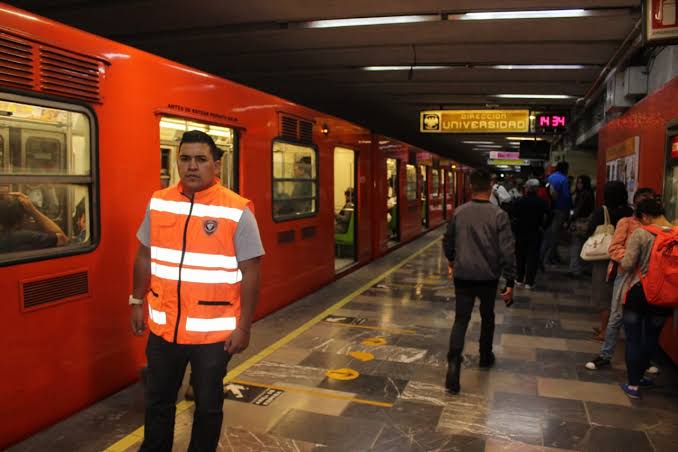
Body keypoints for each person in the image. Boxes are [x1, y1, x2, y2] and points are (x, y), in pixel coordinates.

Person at [130, 130, 264, 451]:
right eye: (185, 159)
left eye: (201, 159)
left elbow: (251, 273)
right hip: (164, 331)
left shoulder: (237, 210)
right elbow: (144, 255)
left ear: (216, 165)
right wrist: (136, 300)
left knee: (208, 407)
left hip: (213, 336)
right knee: (158, 403)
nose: (192, 166)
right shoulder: (159, 201)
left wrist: (243, 326)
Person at [443, 168, 516, 394]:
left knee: (461, 319)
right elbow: (507, 251)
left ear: (470, 187)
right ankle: (485, 356)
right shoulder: (499, 215)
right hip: (488, 277)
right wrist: (510, 280)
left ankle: (453, 366)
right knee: (487, 316)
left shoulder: (459, 212)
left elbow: (448, 242)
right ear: (490, 186)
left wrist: (453, 260)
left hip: (463, 275)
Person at [585, 188, 657, 370]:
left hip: (650, 276)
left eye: (650, 200)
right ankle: (605, 354)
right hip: (626, 274)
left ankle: (644, 360)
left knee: (645, 318)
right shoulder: (626, 222)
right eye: (642, 200)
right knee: (616, 315)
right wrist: (632, 258)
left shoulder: (659, 225)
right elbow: (614, 248)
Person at [618, 197, 675, 398]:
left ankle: (633, 386)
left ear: (644, 216)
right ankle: (641, 376)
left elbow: (627, 263)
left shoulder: (641, 234)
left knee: (633, 339)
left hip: (639, 293)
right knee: (651, 338)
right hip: (666, 295)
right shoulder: (676, 233)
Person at [588, 181, 633, 341]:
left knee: (603, 293)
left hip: (604, 257)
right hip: (624, 256)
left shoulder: (603, 211)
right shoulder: (630, 211)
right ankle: (611, 329)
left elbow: (590, 230)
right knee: (620, 292)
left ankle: (604, 330)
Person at [512, 179, 550, 290]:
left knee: (520, 256)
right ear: (537, 189)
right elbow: (550, 214)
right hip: (535, 231)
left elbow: (513, 214)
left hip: (520, 232)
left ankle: (519, 279)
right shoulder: (542, 202)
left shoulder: (519, 201)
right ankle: (529, 282)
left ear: (526, 188)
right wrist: (544, 226)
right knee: (533, 257)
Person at [0, 192, 68, 252]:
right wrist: (33, 210)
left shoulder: (4, 237)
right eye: (27, 215)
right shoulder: (24, 236)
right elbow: (63, 239)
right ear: (22, 217)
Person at [541, 161, 572, 266]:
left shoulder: (550, 178)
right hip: (559, 210)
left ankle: (551, 255)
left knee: (549, 234)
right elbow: (566, 197)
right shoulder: (564, 179)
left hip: (548, 210)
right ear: (565, 169)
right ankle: (548, 257)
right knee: (554, 235)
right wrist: (567, 213)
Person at [568, 175, 595, 277]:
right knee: (584, 246)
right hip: (587, 222)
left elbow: (577, 210)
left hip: (579, 222)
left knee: (575, 246)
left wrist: (570, 219)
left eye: (580, 182)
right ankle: (586, 268)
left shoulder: (582, 195)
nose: (578, 185)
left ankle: (575, 270)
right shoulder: (590, 194)